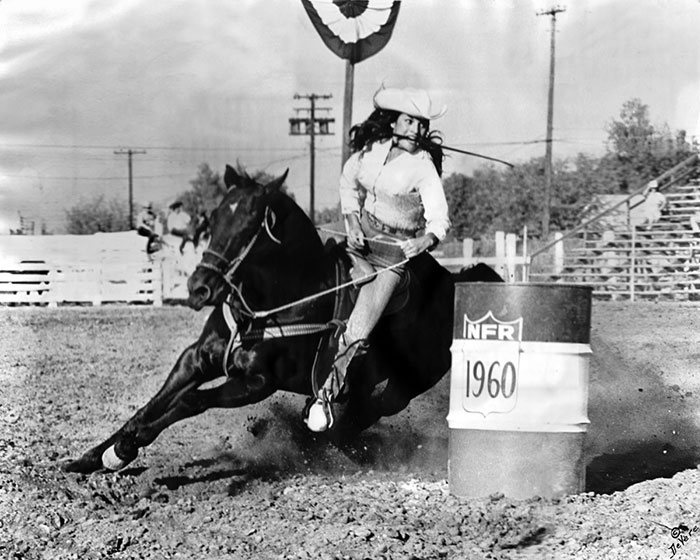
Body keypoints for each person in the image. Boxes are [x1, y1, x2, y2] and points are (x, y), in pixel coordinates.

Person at [305, 86, 450, 432]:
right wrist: (351, 220)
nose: (416, 130)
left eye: (421, 124)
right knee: (306, 246)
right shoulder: (371, 151)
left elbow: (439, 218)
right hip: (358, 234)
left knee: (360, 324)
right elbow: (347, 182)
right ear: (394, 122)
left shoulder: (423, 167)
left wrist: (424, 240)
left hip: (392, 256)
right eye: (409, 122)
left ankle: (325, 396)